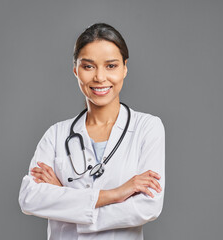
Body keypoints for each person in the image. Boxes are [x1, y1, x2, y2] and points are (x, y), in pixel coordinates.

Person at [18, 23, 165, 240]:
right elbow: (30, 198)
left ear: (125, 68)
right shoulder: (56, 135)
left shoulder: (148, 128)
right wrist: (116, 194)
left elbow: (146, 207)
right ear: (75, 69)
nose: (99, 77)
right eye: (88, 66)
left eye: (111, 66)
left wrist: (66, 200)